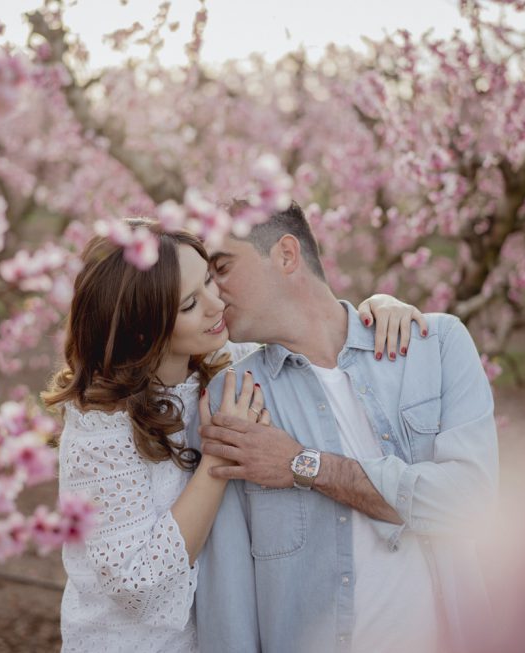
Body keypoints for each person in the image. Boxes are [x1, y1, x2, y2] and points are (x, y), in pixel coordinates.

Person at [42, 218, 424, 652]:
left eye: (209, 279)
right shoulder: (100, 428)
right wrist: (218, 461)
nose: (215, 303)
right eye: (189, 304)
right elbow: (137, 587)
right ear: (142, 326)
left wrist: (378, 308)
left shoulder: (219, 363)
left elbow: (313, 331)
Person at [192, 201, 499, 653]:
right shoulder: (232, 398)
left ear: (286, 255)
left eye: (221, 269)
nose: (214, 295)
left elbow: (471, 502)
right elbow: (229, 592)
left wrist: (303, 465)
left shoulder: (435, 346)